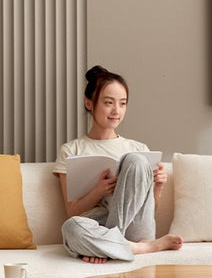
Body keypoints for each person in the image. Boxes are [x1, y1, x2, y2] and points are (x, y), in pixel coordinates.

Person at [54, 65, 183, 263]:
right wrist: (99, 191)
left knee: (135, 159)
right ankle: (140, 247)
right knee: (70, 227)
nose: (116, 111)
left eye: (122, 104)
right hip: (99, 225)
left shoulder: (139, 147)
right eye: (108, 103)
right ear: (89, 103)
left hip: (135, 226)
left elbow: (148, 211)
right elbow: (72, 212)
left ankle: (109, 246)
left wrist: (157, 186)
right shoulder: (71, 150)